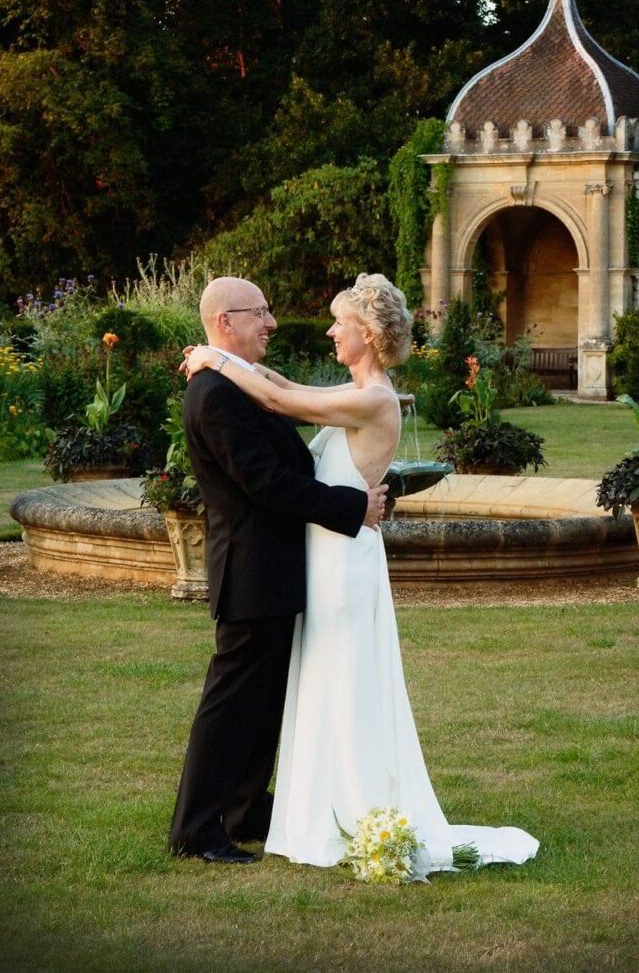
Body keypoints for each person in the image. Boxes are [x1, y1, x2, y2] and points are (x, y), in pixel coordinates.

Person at [185, 272, 539, 875]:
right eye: (263, 313)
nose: (326, 329)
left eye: (339, 322)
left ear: (367, 334)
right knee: (311, 682)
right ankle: (298, 804)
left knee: (339, 679)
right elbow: (283, 386)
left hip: (339, 565)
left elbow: (280, 398)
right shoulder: (350, 390)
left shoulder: (374, 399)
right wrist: (213, 356)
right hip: (315, 560)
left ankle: (343, 800)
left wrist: (213, 357)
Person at [168, 276, 388, 864]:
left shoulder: (235, 384)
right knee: (231, 704)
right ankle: (195, 829)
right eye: (259, 313)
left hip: (274, 570)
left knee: (264, 703)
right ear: (225, 323)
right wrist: (352, 507)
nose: (271, 322)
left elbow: (288, 400)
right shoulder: (214, 395)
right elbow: (265, 484)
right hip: (251, 571)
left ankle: (242, 810)